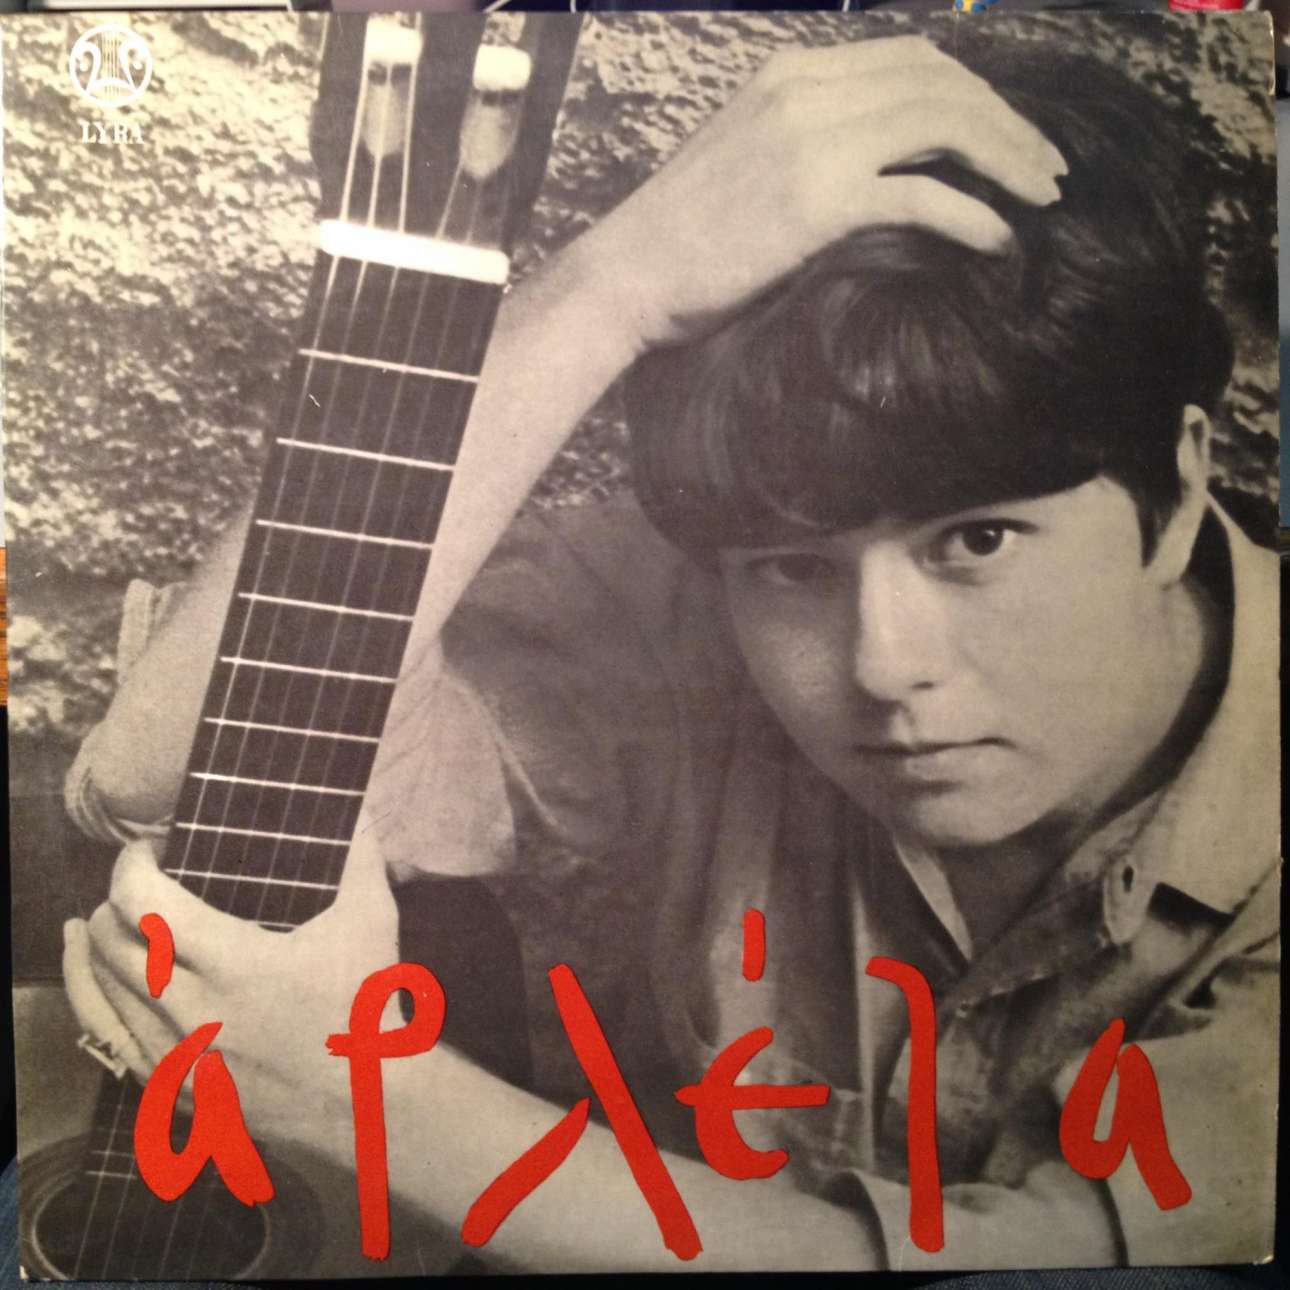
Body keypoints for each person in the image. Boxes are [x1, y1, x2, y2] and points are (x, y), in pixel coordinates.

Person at [59, 31, 1278, 1272]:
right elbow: (175, 778)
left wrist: (368, 1100)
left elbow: (1040, 1271)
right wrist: (615, 288)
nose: (883, 667)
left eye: (979, 541)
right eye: (796, 568)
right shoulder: (683, 610)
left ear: (1179, 493)